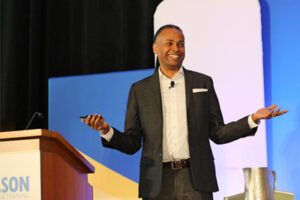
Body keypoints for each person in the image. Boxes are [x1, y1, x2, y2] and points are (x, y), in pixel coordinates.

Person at [82, 24, 288, 200]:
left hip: (196, 180)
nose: (176, 48)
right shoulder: (139, 89)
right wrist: (106, 129)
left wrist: (252, 119)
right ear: (155, 48)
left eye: (181, 43)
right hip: (156, 183)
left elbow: (218, 133)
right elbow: (132, 143)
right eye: (169, 43)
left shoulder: (202, 82)